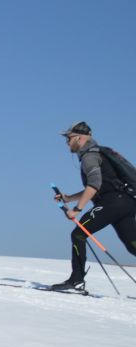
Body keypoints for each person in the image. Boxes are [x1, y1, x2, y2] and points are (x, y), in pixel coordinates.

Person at [50, 121, 136, 291]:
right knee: (133, 246)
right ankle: (77, 279)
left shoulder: (89, 156)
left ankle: (76, 280)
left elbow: (94, 185)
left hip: (112, 203)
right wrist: (68, 198)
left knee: (78, 235)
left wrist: (77, 209)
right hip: (125, 203)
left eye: (69, 138)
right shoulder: (98, 154)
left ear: (79, 138)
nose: (67, 142)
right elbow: (96, 188)